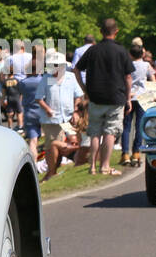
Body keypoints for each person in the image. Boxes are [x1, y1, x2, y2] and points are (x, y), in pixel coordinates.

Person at [72, 18, 132, 176]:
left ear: (100, 32)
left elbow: (76, 69)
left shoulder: (93, 50)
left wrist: (85, 89)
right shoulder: (121, 51)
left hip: (95, 96)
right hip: (116, 97)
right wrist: (128, 98)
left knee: (95, 132)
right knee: (110, 131)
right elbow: (128, 77)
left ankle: (92, 166)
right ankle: (104, 166)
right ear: (116, 32)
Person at [35, 51, 83, 180]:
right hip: (51, 119)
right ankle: (52, 171)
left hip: (68, 117)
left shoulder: (70, 77)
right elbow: (39, 98)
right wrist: (47, 109)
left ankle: (55, 171)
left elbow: (78, 95)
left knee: (68, 144)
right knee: (52, 146)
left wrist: (75, 111)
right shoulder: (47, 78)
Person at [120, 43, 150, 167]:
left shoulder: (127, 65)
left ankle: (125, 153)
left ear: (130, 54)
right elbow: (151, 77)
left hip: (129, 96)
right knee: (139, 125)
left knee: (126, 126)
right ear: (142, 54)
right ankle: (136, 151)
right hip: (142, 96)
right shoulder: (146, 65)